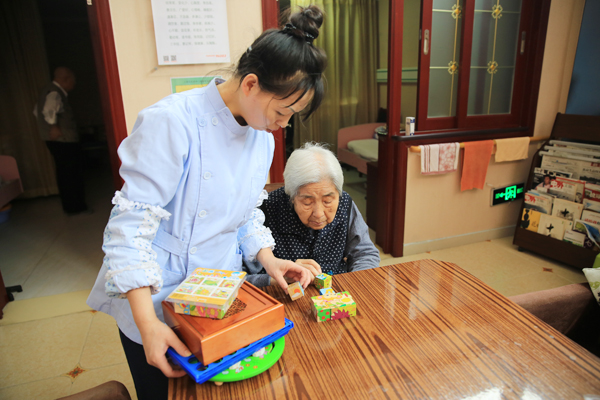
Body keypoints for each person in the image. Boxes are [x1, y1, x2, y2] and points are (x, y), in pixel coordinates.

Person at [86, 6, 326, 400]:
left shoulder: (261, 137)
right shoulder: (172, 123)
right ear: (250, 84)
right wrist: (148, 325)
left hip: (218, 290)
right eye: (283, 112)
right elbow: (129, 230)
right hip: (156, 296)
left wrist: (269, 258)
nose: (283, 126)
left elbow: (246, 212)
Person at [244, 142, 380, 287]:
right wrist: (276, 279)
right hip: (281, 295)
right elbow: (237, 278)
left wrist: (353, 285)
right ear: (291, 196)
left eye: (327, 201)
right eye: (307, 203)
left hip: (336, 293)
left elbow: (365, 253)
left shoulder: (344, 202)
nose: (319, 214)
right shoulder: (264, 211)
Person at [34, 66, 90, 215]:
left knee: (65, 172)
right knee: (70, 173)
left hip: (58, 141)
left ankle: (72, 206)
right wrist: (53, 126)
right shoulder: (54, 92)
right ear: (66, 79)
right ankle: (75, 206)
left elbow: (36, 111)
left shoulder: (47, 91)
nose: (74, 83)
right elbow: (48, 111)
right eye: (73, 80)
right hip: (63, 141)